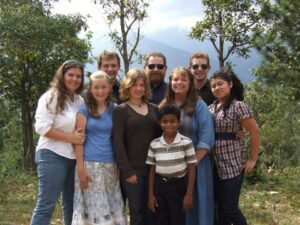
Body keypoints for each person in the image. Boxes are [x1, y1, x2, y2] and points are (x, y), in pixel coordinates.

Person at [30, 60, 85, 225]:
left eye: (78, 76)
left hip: (72, 158)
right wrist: (72, 138)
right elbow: (42, 128)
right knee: (46, 204)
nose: (74, 79)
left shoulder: (79, 101)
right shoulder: (51, 97)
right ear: (62, 76)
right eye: (71, 75)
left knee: (71, 204)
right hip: (52, 155)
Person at [160, 67, 215, 225]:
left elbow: (207, 138)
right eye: (175, 79)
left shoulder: (199, 106)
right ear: (170, 83)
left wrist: (191, 163)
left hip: (196, 166)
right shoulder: (164, 105)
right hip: (170, 167)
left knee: (195, 207)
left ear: (190, 83)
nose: (179, 82)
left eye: (184, 79)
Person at [72, 71, 127, 225]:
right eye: (96, 87)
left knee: (110, 206)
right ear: (90, 89)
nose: (100, 91)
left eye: (103, 87)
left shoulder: (115, 109)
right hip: (89, 165)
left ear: (109, 88)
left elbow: (118, 137)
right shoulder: (84, 110)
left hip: (111, 165)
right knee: (93, 208)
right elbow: (78, 141)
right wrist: (81, 169)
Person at [208, 69, 260, 225]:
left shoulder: (238, 106)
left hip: (233, 165)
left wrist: (252, 159)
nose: (217, 88)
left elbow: (255, 131)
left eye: (220, 84)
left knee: (230, 209)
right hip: (215, 166)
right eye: (213, 85)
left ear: (230, 84)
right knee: (220, 210)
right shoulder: (211, 107)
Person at [112, 68, 162, 225]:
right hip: (133, 172)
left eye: (142, 85)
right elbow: (117, 143)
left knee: (152, 210)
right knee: (137, 211)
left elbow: (161, 138)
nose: (139, 88)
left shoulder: (154, 109)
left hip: (154, 170)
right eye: (135, 84)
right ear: (127, 86)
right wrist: (127, 170)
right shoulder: (121, 110)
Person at [146, 105, 197, 225]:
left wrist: (189, 194)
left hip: (179, 187)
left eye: (172, 121)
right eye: (165, 121)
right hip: (160, 187)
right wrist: (150, 195)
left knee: (178, 219)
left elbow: (192, 168)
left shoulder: (186, 142)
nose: (169, 124)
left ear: (179, 122)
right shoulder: (155, 144)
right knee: (161, 220)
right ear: (159, 123)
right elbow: (152, 170)